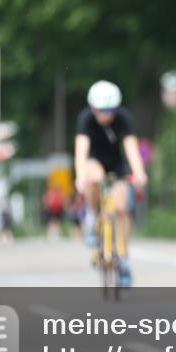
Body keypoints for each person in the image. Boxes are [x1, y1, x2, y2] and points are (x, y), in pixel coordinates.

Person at [74, 80, 148, 286]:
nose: (105, 116)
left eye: (110, 111)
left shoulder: (123, 118)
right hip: (95, 161)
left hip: (117, 165)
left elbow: (131, 148)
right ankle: (91, 217)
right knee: (94, 177)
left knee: (122, 208)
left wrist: (139, 173)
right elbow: (81, 151)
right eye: (100, 111)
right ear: (92, 108)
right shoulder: (86, 119)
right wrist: (80, 177)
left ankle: (124, 260)